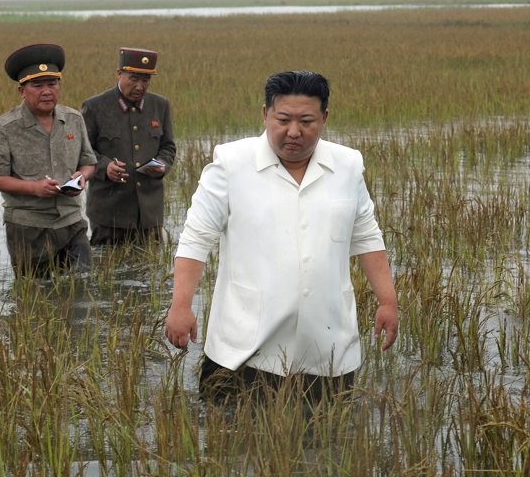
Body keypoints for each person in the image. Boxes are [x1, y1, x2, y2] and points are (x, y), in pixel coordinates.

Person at [164, 70, 399, 401]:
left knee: (326, 443)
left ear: (325, 118)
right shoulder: (231, 163)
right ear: (265, 114)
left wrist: (387, 301)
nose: (294, 132)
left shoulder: (347, 166)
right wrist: (181, 304)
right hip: (243, 348)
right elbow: (196, 238)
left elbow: (367, 238)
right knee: (230, 444)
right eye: (283, 119)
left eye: (306, 121)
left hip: (327, 348)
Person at [0, 43, 97, 277]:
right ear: (22, 91)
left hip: (71, 222)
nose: (47, 91)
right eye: (37, 85)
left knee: (83, 288)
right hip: (28, 227)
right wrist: (34, 188)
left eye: (52, 84)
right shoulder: (5, 127)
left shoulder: (74, 119)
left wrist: (82, 177)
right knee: (34, 295)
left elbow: (89, 162)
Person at [81, 47, 176, 245]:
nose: (140, 86)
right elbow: (83, 152)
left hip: (150, 214)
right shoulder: (95, 107)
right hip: (109, 215)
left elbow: (168, 147)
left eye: (145, 80)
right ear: (119, 74)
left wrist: (161, 164)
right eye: (133, 78)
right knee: (109, 273)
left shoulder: (160, 105)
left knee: (150, 271)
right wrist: (105, 167)